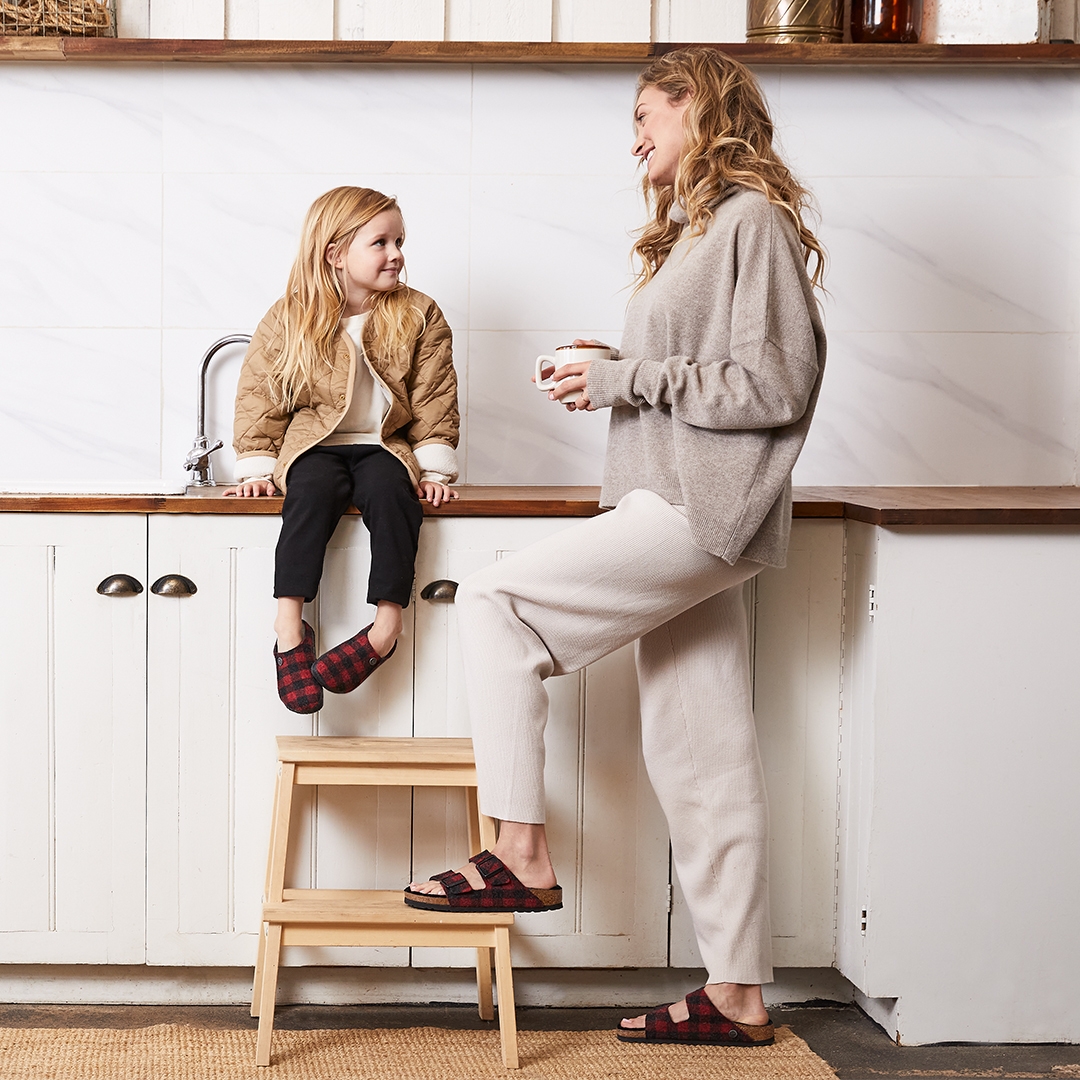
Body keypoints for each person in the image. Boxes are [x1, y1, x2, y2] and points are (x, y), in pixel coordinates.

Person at [405, 48, 826, 1048]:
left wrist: (625, 379)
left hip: (696, 510)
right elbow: (703, 371)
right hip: (680, 500)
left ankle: (519, 848)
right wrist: (616, 367)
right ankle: (737, 995)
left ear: (700, 108)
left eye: (647, 112)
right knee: (702, 756)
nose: (633, 134)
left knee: (495, 602)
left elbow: (776, 388)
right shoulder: (699, 232)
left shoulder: (750, 224)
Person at [225, 186, 459, 715]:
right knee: (310, 491)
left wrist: (435, 466)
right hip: (315, 443)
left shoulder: (418, 313)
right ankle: (289, 624)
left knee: (391, 492)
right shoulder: (291, 316)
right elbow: (261, 392)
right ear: (335, 252)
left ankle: (385, 627)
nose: (396, 253)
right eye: (381, 242)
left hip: (384, 444)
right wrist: (258, 462)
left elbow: (435, 394)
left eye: (400, 240)